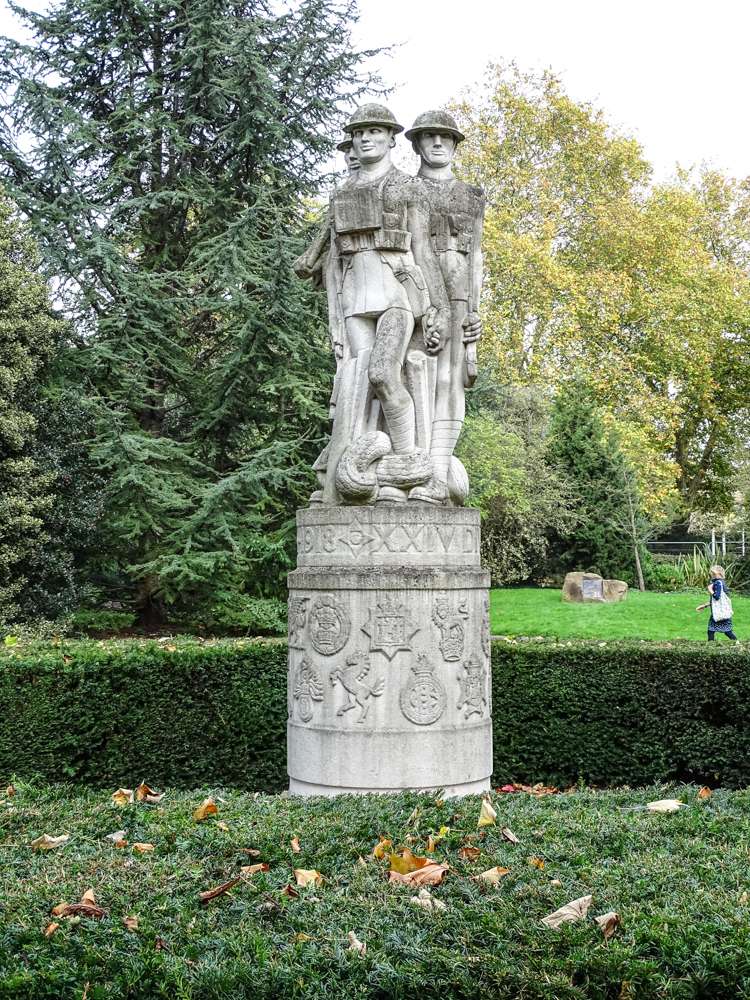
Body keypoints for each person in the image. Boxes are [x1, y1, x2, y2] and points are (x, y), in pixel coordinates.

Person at [405, 110, 484, 505]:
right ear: (417, 143)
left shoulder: (472, 195)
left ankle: (437, 474)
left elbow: (478, 255)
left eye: (445, 138)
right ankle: (411, 471)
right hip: (413, 297)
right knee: (416, 382)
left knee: (451, 385)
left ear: (454, 144)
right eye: (430, 137)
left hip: (458, 299)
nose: (438, 143)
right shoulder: (403, 188)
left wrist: (475, 314)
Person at [695, 565, 738, 641]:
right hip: (721, 612)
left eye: (713, 573)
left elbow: (717, 597)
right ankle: (736, 642)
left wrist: (710, 589)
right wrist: (704, 605)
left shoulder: (718, 583)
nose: (711, 575)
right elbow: (719, 601)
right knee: (725, 631)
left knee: (713, 631)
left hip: (719, 613)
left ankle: (711, 647)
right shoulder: (721, 582)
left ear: (717, 574)